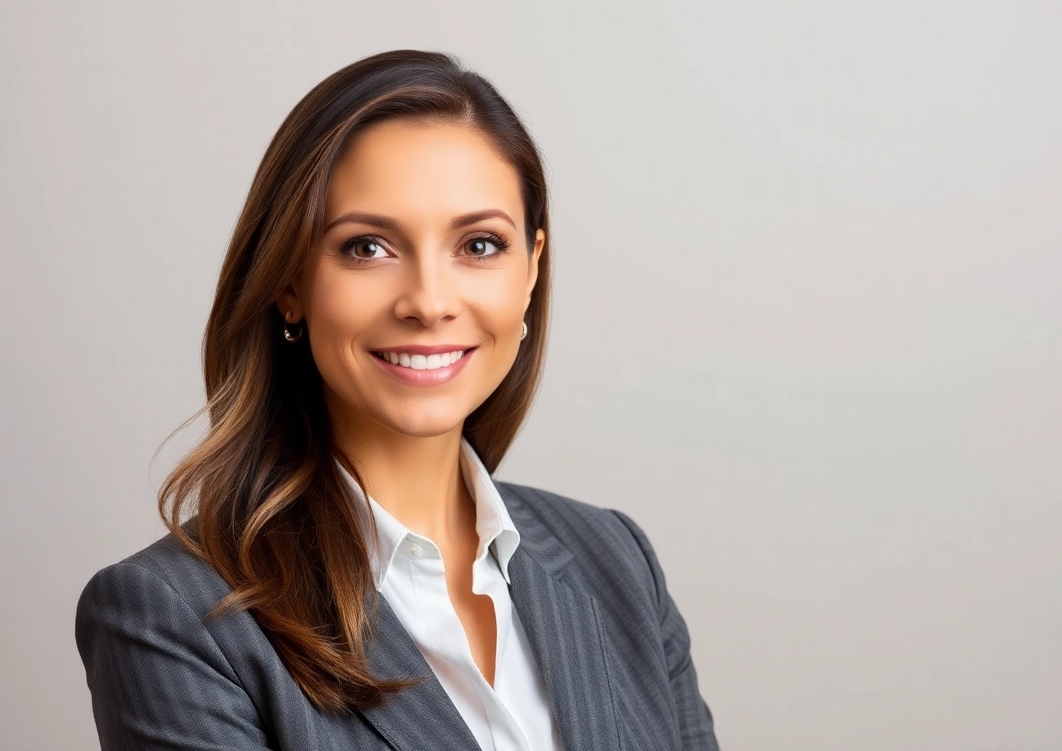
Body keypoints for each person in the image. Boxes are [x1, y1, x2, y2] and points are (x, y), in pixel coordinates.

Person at [74, 49, 718, 751]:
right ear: (290, 281)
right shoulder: (172, 617)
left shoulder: (615, 560)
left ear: (532, 269)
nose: (429, 303)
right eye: (368, 248)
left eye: (478, 244)